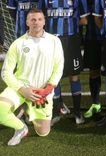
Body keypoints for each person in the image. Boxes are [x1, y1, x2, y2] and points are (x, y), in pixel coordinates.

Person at [0, 9, 64, 146]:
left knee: (43, 132)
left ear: (44, 21)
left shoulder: (55, 41)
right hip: (21, 88)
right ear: (27, 22)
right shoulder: (17, 43)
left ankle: (27, 109)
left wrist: (48, 89)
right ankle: (21, 128)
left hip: (42, 93)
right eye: (33, 19)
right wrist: (22, 90)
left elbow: (59, 67)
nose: (36, 22)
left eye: (40, 19)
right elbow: (5, 72)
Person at [39, 0, 89, 125]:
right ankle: (57, 111)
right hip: (51, 42)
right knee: (54, 77)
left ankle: (76, 112)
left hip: (71, 41)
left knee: (74, 76)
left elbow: (84, 19)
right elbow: (41, 20)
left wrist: (68, 24)